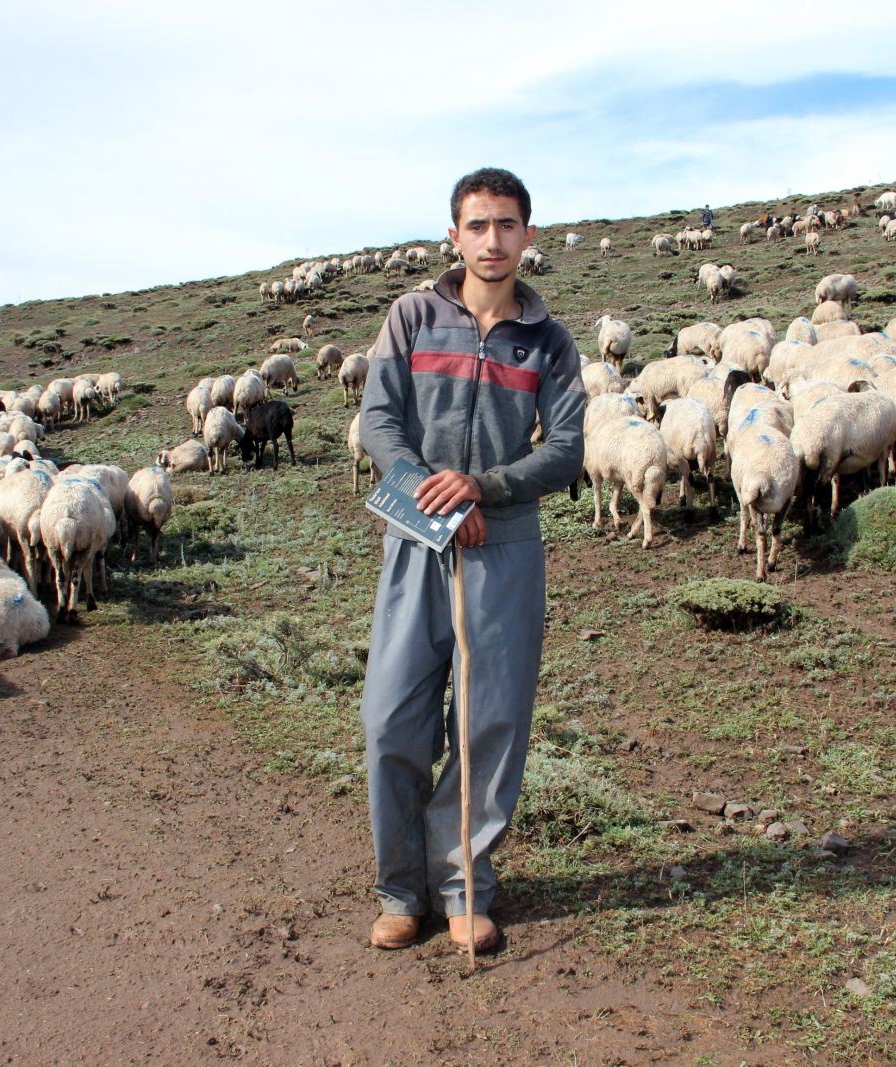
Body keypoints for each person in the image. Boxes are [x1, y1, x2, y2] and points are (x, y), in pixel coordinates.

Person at [357, 167, 585, 953]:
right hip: (416, 538)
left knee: (489, 722)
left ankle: (463, 887)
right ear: (454, 235)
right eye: (478, 225)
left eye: (507, 224)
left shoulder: (550, 342)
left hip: (503, 546)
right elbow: (380, 422)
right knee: (391, 717)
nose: (493, 240)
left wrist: (482, 489)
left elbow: (566, 449)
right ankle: (400, 889)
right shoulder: (412, 316)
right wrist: (441, 502)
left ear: (528, 235)